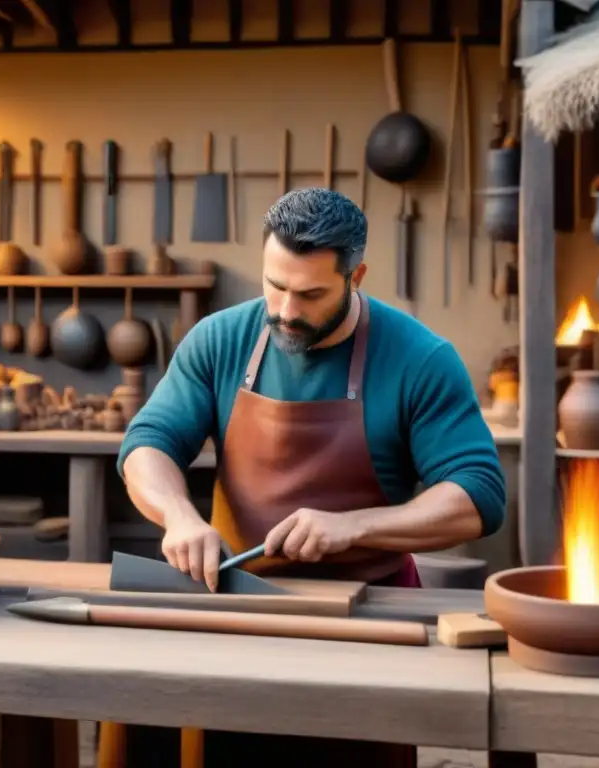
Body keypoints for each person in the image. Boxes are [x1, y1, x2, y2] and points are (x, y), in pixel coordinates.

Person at [105, 187, 507, 767]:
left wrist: (355, 527)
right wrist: (179, 517)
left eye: (311, 294)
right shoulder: (220, 340)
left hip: (368, 614)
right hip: (235, 598)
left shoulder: (420, 357)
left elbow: (478, 495)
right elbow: (147, 445)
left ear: (356, 275)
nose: (287, 310)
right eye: (275, 285)